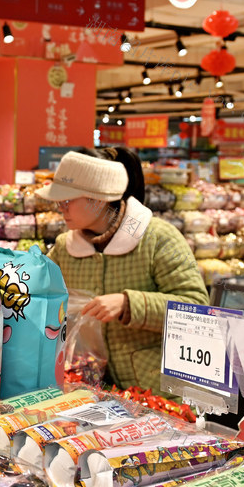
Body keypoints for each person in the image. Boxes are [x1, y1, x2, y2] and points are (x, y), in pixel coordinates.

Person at [39, 148, 208, 396]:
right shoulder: (64, 249)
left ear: (98, 199)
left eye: (67, 200)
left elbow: (199, 308)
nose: (60, 208)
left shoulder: (159, 238)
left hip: (159, 394)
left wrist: (129, 304)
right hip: (89, 392)